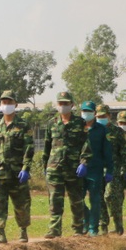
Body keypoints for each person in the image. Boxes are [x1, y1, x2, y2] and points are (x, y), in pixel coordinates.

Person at [42, 92, 91, 239]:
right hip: (55, 168)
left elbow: (86, 145)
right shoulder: (52, 123)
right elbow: (47, 146)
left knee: (76, 200)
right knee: (55, 200)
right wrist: (45, 166)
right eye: (60, 103)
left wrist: (84, 162)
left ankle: (78, 228)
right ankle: (54, 229)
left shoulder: (80, 123)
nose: (63, 106)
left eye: (66, 103)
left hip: (73, 168)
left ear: (72, 105)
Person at [0, 90, 33, 243]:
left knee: (21, 204)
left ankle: (23, 230)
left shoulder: (23, 125)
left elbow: (29, 148)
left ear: (15, 104)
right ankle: (0, 234)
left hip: (17, 173)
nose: (6, 105)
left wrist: (26, 168)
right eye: (4, 102)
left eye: (9, 102)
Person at [79, 101, 114, 236]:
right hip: (79, 170)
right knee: (77, 199)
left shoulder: (102, 130)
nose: (86, 114)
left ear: (94, 113)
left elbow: (107, 152)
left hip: (95, 169)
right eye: (84, 111)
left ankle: (93, 227)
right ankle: (85, 219)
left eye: (89, 111)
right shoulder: (78, 128)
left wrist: (109, 170)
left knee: (95, 199)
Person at [97, 104, 126, 235]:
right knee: (99, 198)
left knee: (110, 196)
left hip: (113, 169)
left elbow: (125, 152)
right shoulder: (93, 131)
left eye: (103, 116)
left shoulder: (117, 132)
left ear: (109, 116)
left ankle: (118, 224)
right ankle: (103, 226)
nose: (101, 118)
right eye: (99, 116)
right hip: (97, 169)